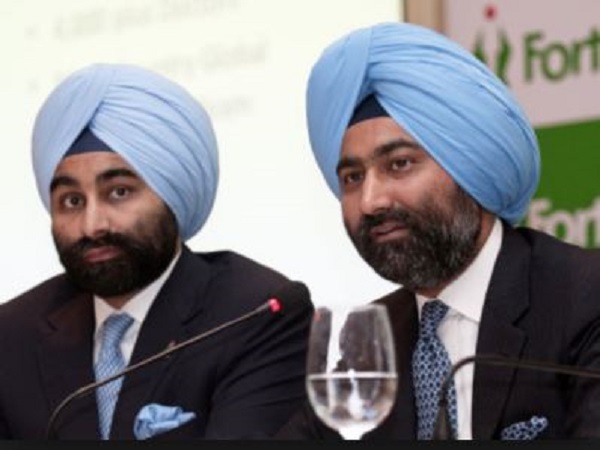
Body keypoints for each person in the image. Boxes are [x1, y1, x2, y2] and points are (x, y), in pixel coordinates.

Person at [276, 22, 600, 440]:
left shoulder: (584, 299)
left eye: (399, 165)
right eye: (353, 178)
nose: (371, 201)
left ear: (469, 166)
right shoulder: (367, 344)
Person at [0, 63, 313, 440]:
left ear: (172, 195)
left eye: (119, 192)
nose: (92, 225)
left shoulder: (256, 315)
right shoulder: (12, 334)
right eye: (72, 201)